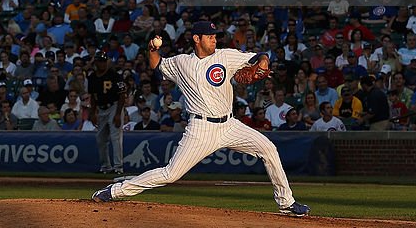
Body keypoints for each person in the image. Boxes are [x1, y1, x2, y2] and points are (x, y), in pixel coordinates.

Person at [92, 21, 310, 215]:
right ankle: (115, 191)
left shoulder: (226, 56)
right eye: (210, 36)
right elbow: (156, 64)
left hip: (230, 125)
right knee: (170, 174)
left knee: (269, 149)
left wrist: (262, 62)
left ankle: (286, 202)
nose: (214, 39)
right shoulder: (181, 63)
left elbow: (258, 56)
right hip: (200, 129)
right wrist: (151, 49)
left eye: (215, 36)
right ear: (197, 39)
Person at [88, 51, 125, 174]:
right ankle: (105, 167)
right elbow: (93, 96)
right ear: (96, 62)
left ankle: (118, 167)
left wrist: (118, 114)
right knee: (100, 138)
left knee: (115, 137)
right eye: (100, 61)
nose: (103, 64)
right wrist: (92, 113)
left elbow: (122, 95)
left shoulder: (114, 75)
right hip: (101, 108)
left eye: (104, 61)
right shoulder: (92, 77)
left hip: (114, 106)